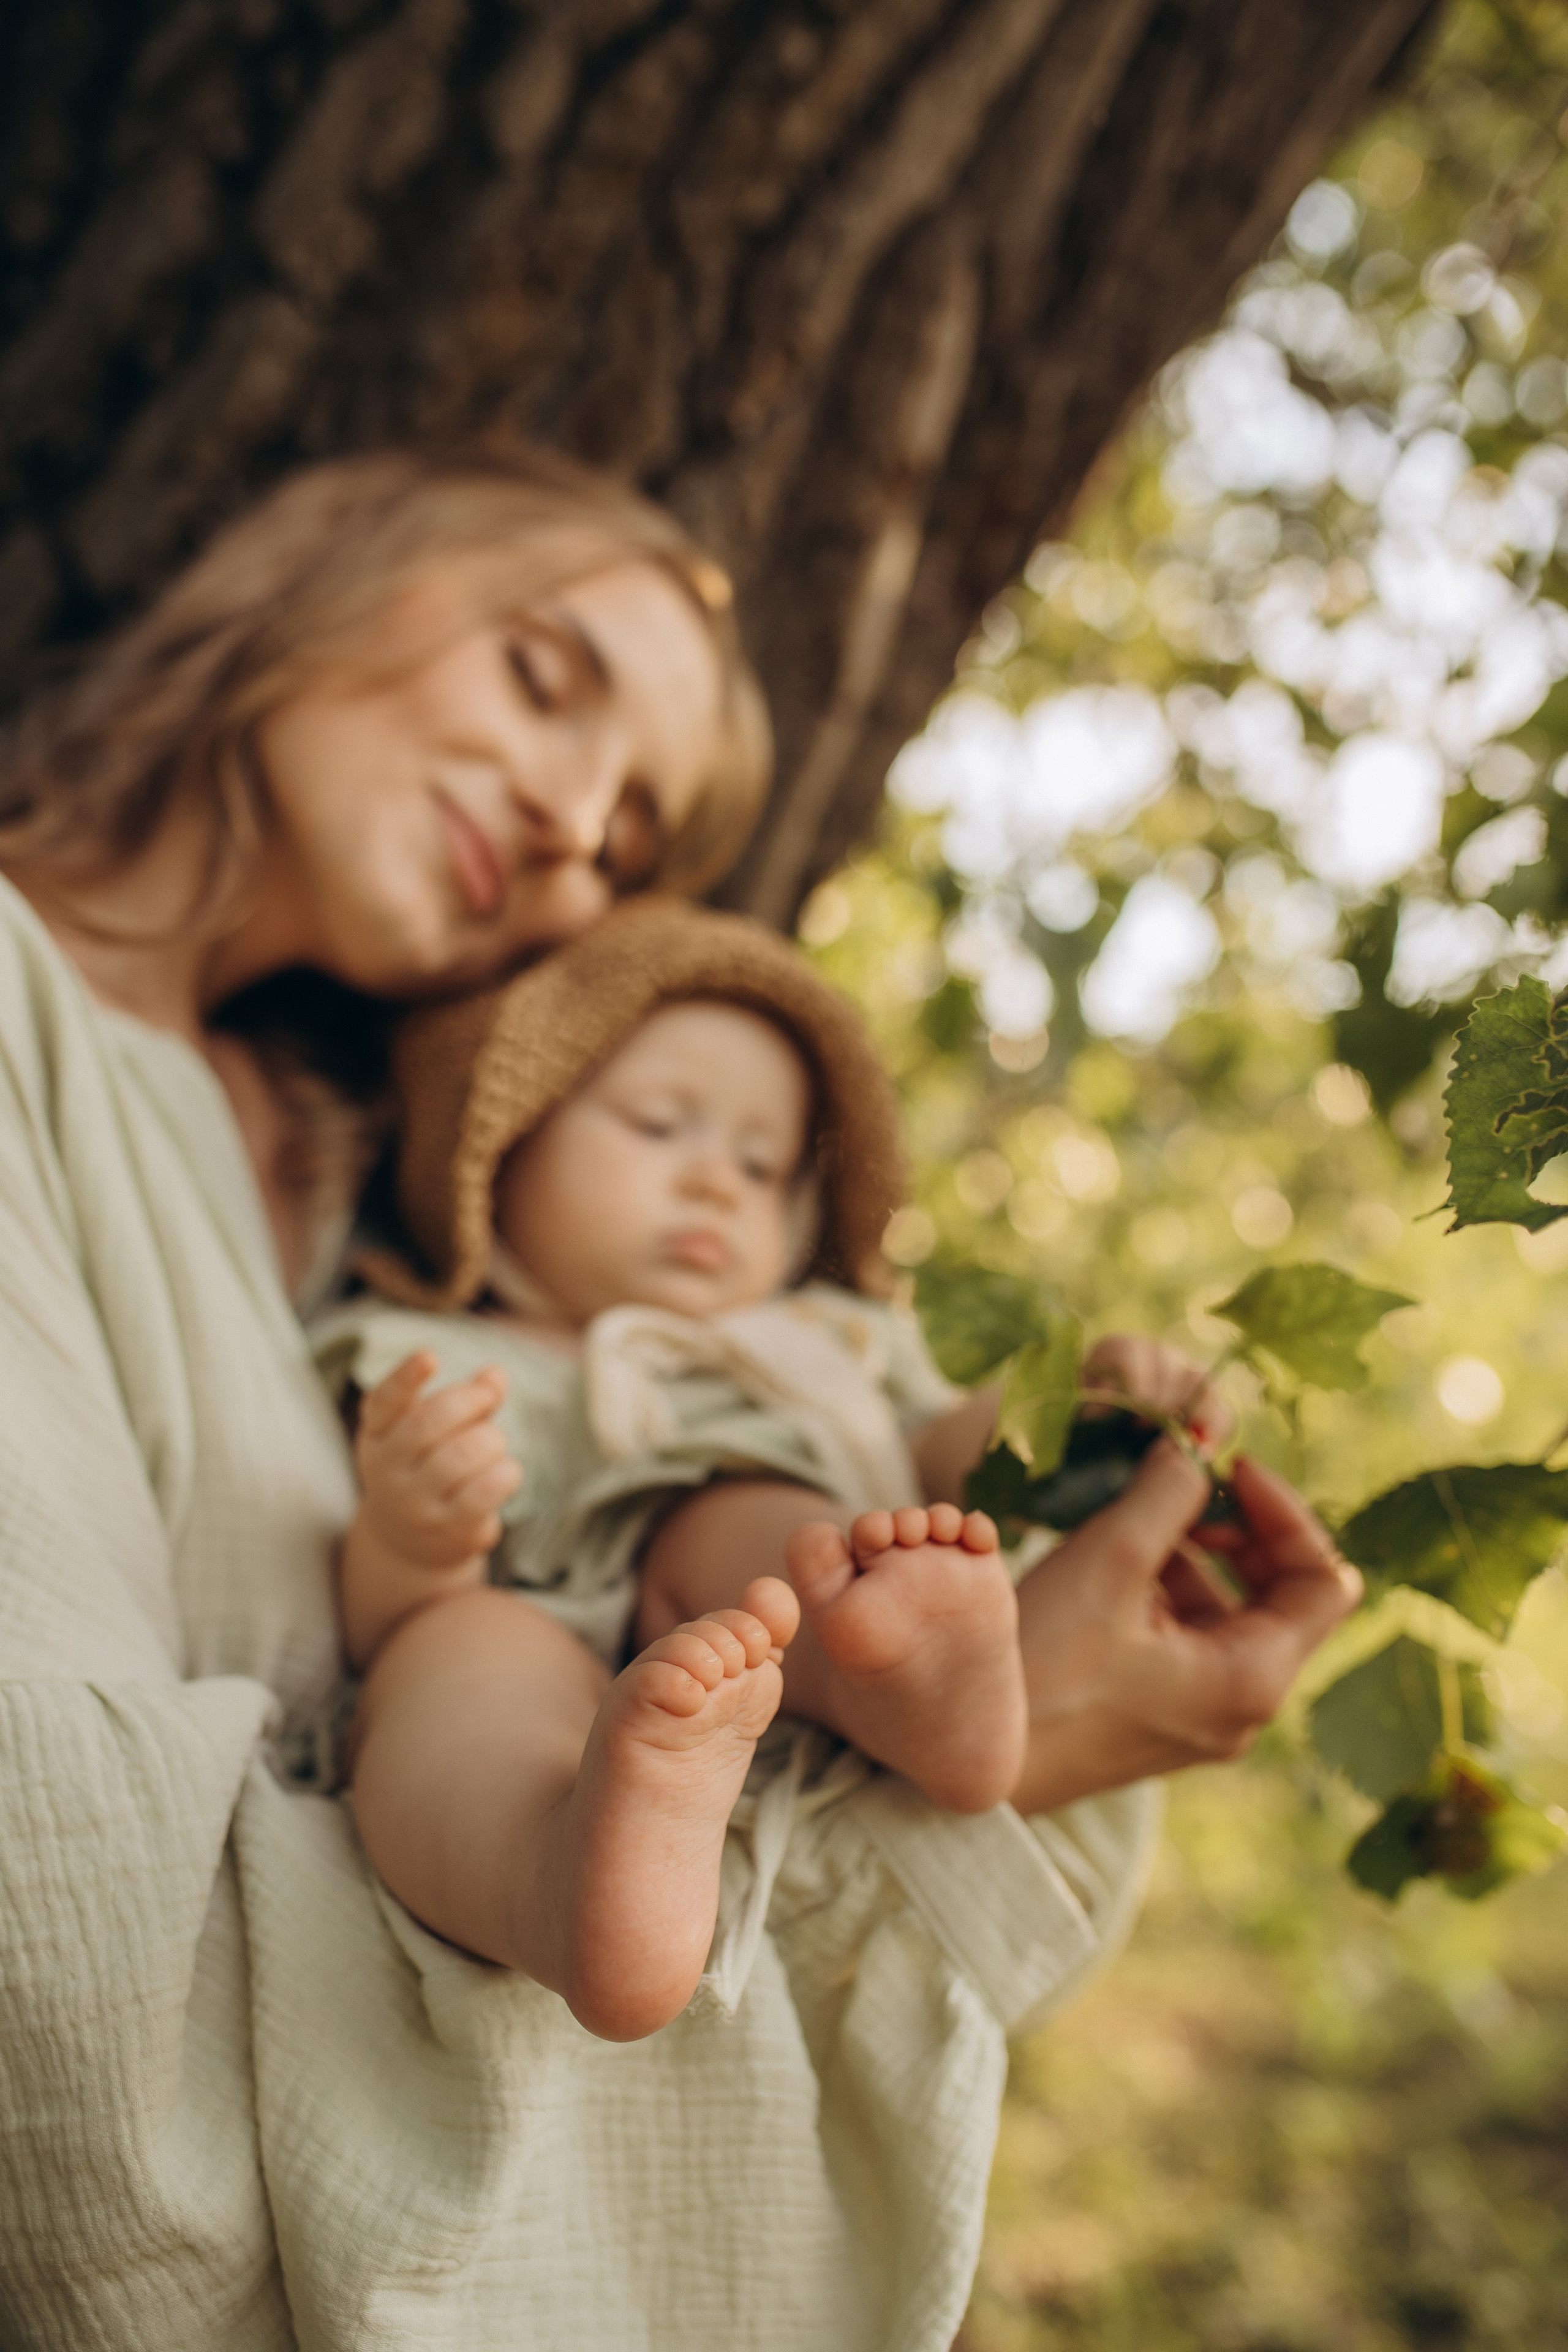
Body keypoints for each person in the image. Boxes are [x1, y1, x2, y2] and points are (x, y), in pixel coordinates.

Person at [0, 442, 1360, 2352]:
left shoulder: (328, 1197)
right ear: (327, 561)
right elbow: (63, 2017)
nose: (569, 820)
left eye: (628, 844)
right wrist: (973, 1792)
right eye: (549, 677)